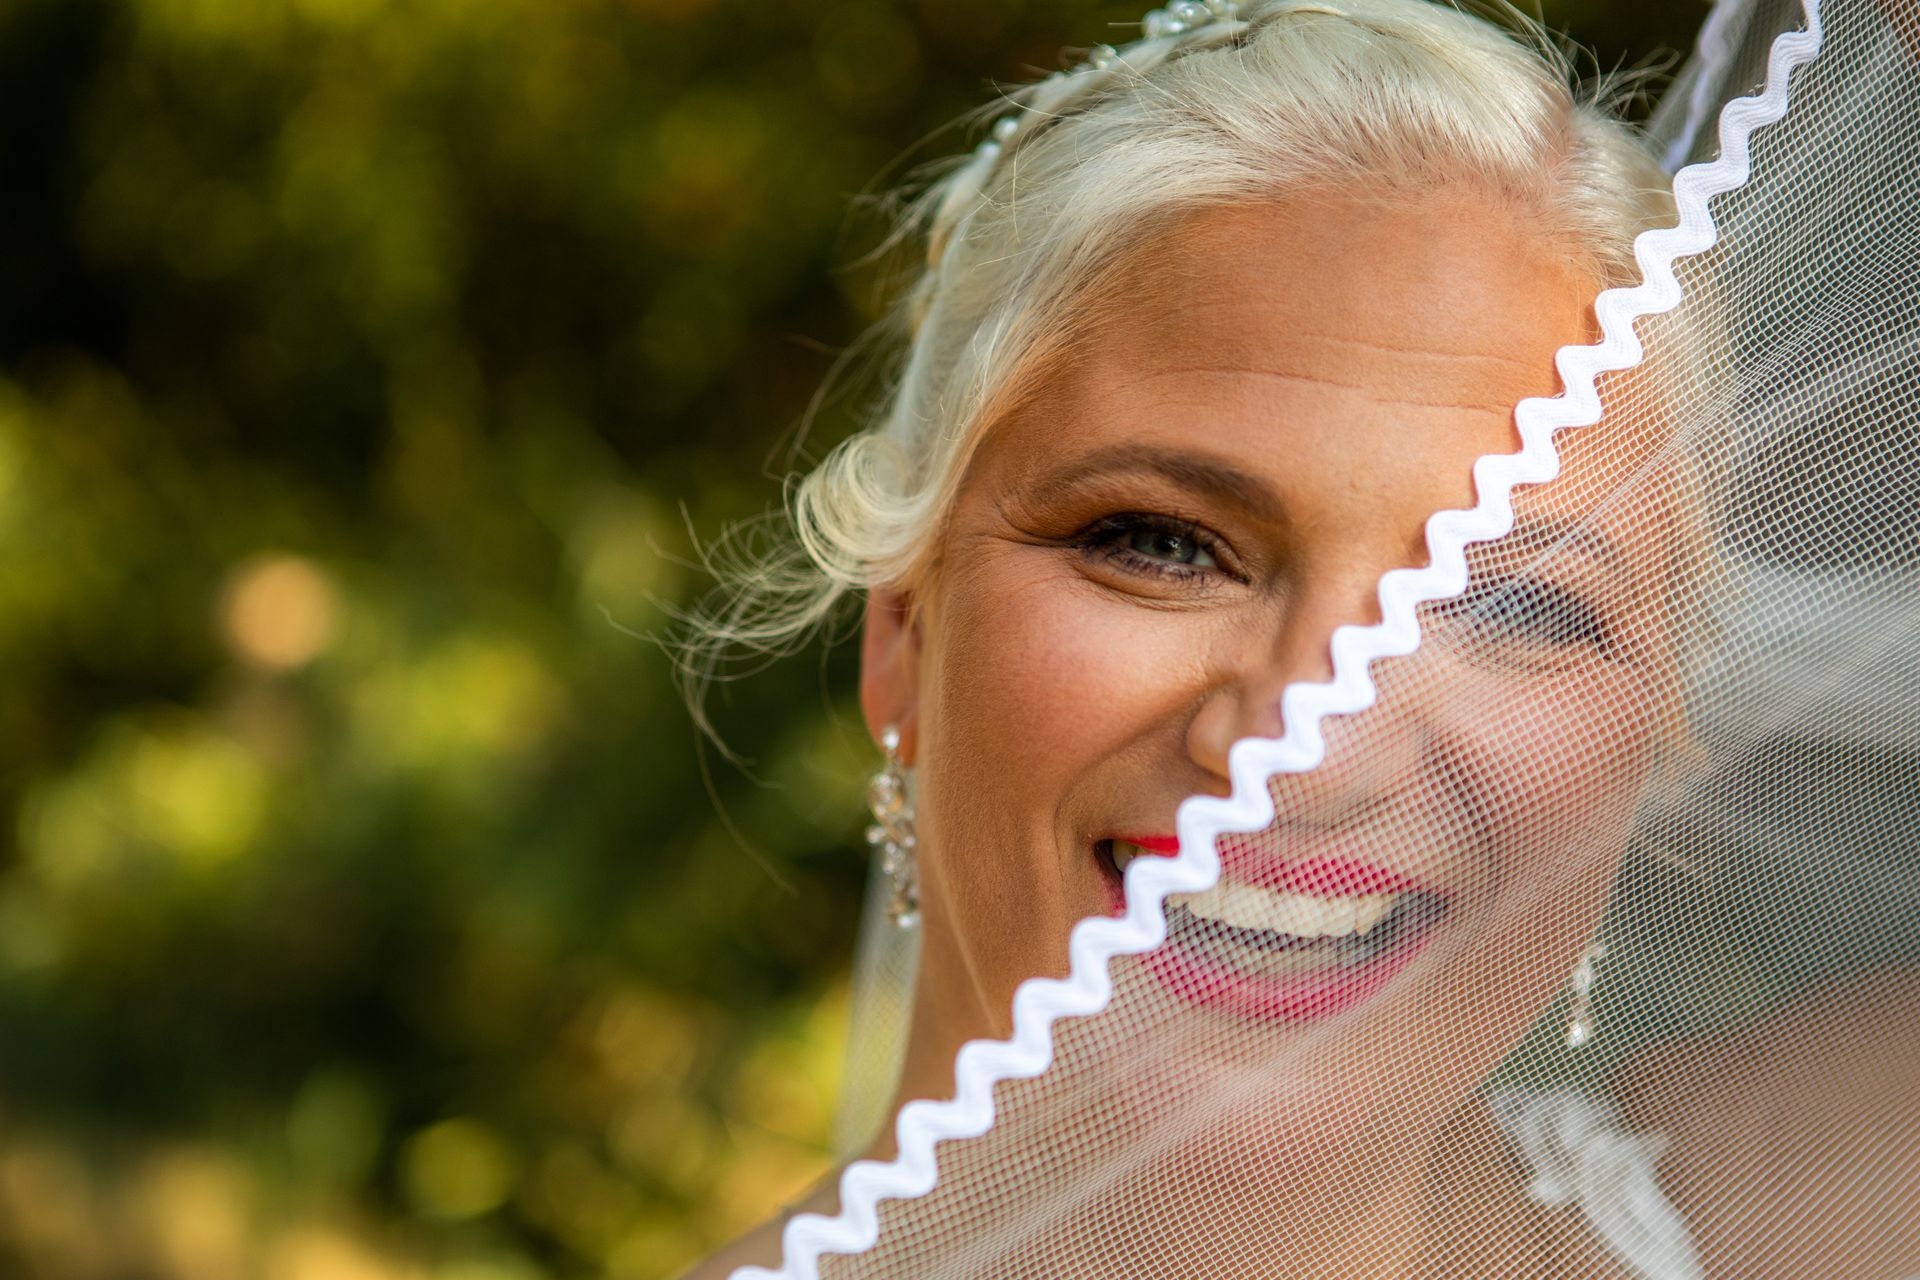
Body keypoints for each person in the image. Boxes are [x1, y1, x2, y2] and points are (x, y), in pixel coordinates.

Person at [680, 1, 1920, 1276]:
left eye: (1514, 603)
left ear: (1660, 722)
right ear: (902, 628)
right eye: (1163, 544)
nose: (1316, 751)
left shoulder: (1816, 1209)